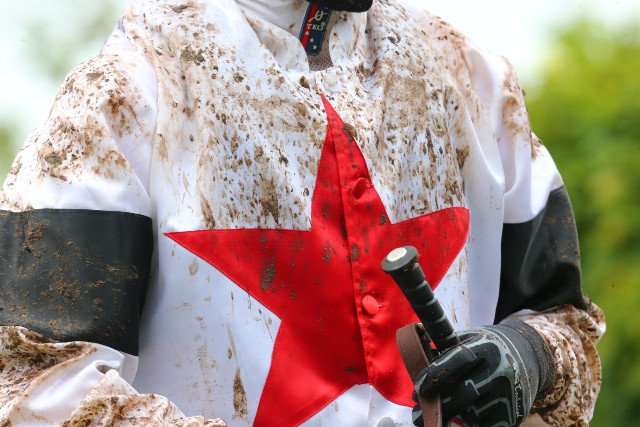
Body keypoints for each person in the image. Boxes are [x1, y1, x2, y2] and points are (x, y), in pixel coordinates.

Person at [0, 0, 604, 425]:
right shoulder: (126, 95)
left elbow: (569, 327)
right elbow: (32, 393)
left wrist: (527, 357)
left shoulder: (473, 79)